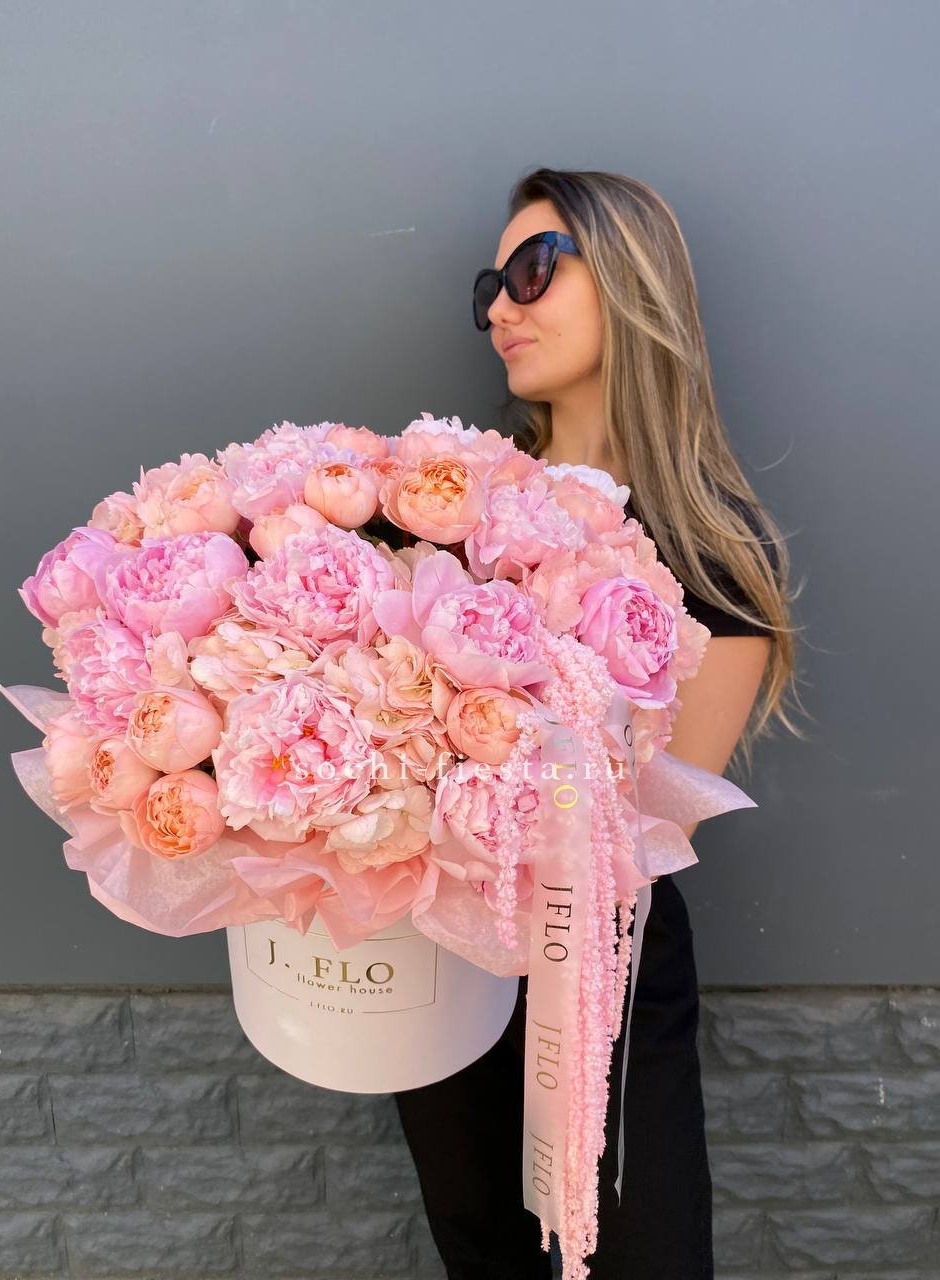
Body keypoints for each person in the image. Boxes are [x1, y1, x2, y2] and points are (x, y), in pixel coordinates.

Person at [393, 167, 804, 1279]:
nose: (500, 308)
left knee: (638, 1259)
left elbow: (645, 834)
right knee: (482, 1251)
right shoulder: (454, 508)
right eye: (488, 286)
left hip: (600, 977)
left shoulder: (711, 548)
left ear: (628, 279)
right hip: (446, 965)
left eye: (533, 270)